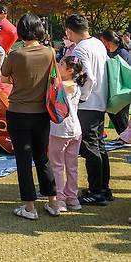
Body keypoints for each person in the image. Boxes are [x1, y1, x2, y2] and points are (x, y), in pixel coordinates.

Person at [1, 13, 61, 219]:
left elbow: (3, 76)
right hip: (42, 112)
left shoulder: (16, 55)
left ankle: (29, 206)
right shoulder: (50, 52)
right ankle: (53, 201)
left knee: (24, 160)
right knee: (42, 158)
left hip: (18, 112)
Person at [65, 14, 111, 205]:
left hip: (89, 103)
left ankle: (96, 190)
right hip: (101, 100)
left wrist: (81, 98)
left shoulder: (81, 49)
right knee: (99, 145)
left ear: (69, 31)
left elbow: (89, 77)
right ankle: (103, 188)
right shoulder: (98, 44)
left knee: (90, 147)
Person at [48, 56, 87, 212]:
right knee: (72, 166)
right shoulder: (76, 85)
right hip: (75, 130)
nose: (58, 64)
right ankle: (72, 198)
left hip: (60, 130)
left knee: (57, 165)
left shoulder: (60, 86)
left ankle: (60, 198)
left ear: (70, 70)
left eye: (62, 64)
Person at [99, 30, 131, 135]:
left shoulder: (122, 53)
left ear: (109, 41)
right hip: (113, 91)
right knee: (114, 115)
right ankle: (122, 137)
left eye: (103, 41)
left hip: (122, 92)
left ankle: (125, 138)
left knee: (121, 117)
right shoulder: (109, 53)